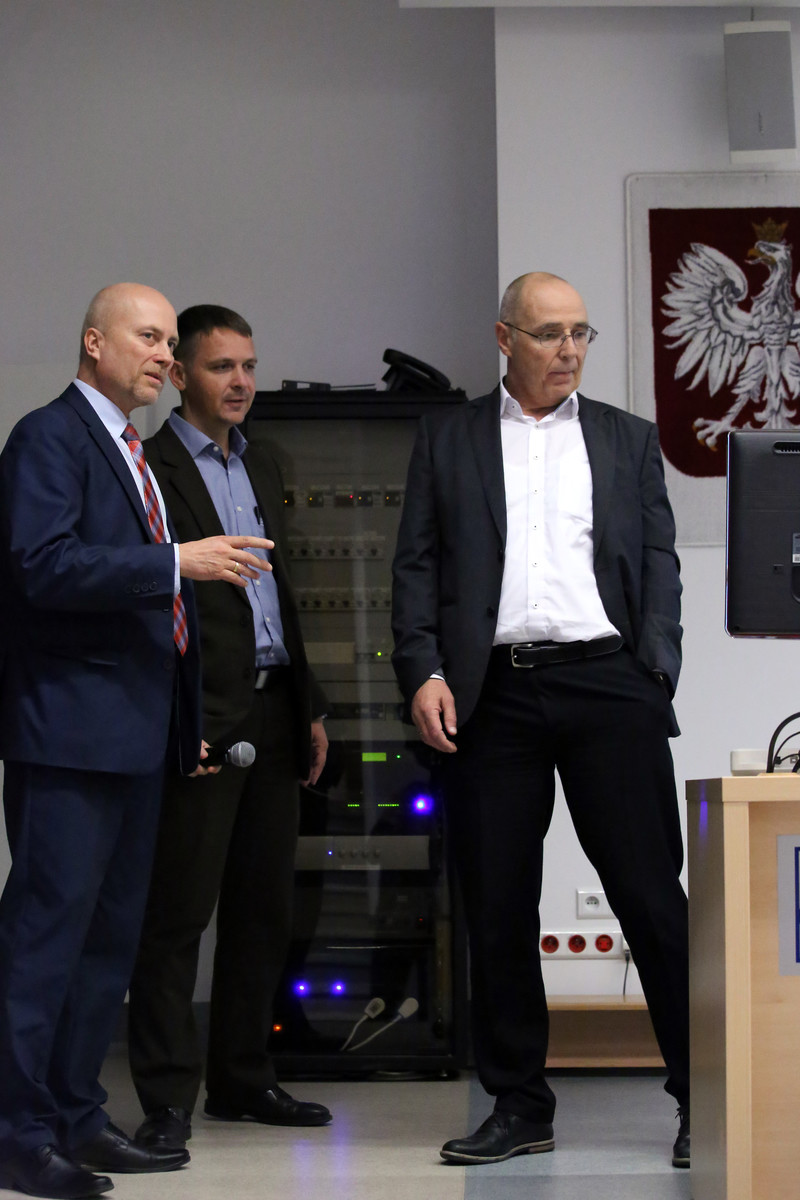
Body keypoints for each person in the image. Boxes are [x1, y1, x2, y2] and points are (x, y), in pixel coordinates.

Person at [391, 272, 690, 1169]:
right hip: (495, 696)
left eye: (580, 333)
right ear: (505, 339)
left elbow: (661, 564)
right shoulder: (447, 438)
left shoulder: (628, 439)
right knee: (497, 907)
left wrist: (656, 669)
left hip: (609, 686)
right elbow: (416, 567)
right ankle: (519, 1105)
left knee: (651, 898)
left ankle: (702, 1096)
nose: (568, 350)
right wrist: (423, 671)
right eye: (549, 333)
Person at [0, 283, 275, 1200]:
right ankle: (15, 1132)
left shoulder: (129, 449)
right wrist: (174, 562)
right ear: (94, 343)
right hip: (70, 736)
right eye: (149, 338)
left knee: (109, 944)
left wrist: (184, 726)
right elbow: (41, 566)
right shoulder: (50, 438)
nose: (163, 355)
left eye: (166, 342)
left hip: (140, 738)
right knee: (45, 939)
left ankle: (76, 1117)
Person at [127, 305, 331, 1152]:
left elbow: (282, 593)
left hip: (275, 708)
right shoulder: (148, 465)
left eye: (248, 365)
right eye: (221, 367)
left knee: (262, 910)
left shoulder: (265, 461)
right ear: (180, 375)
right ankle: (166, 1101)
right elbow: (149, 605)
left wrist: (308, 704)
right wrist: (180, 719)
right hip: (201, 714)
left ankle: (244, 1081)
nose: (241, 381)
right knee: (178, 916)